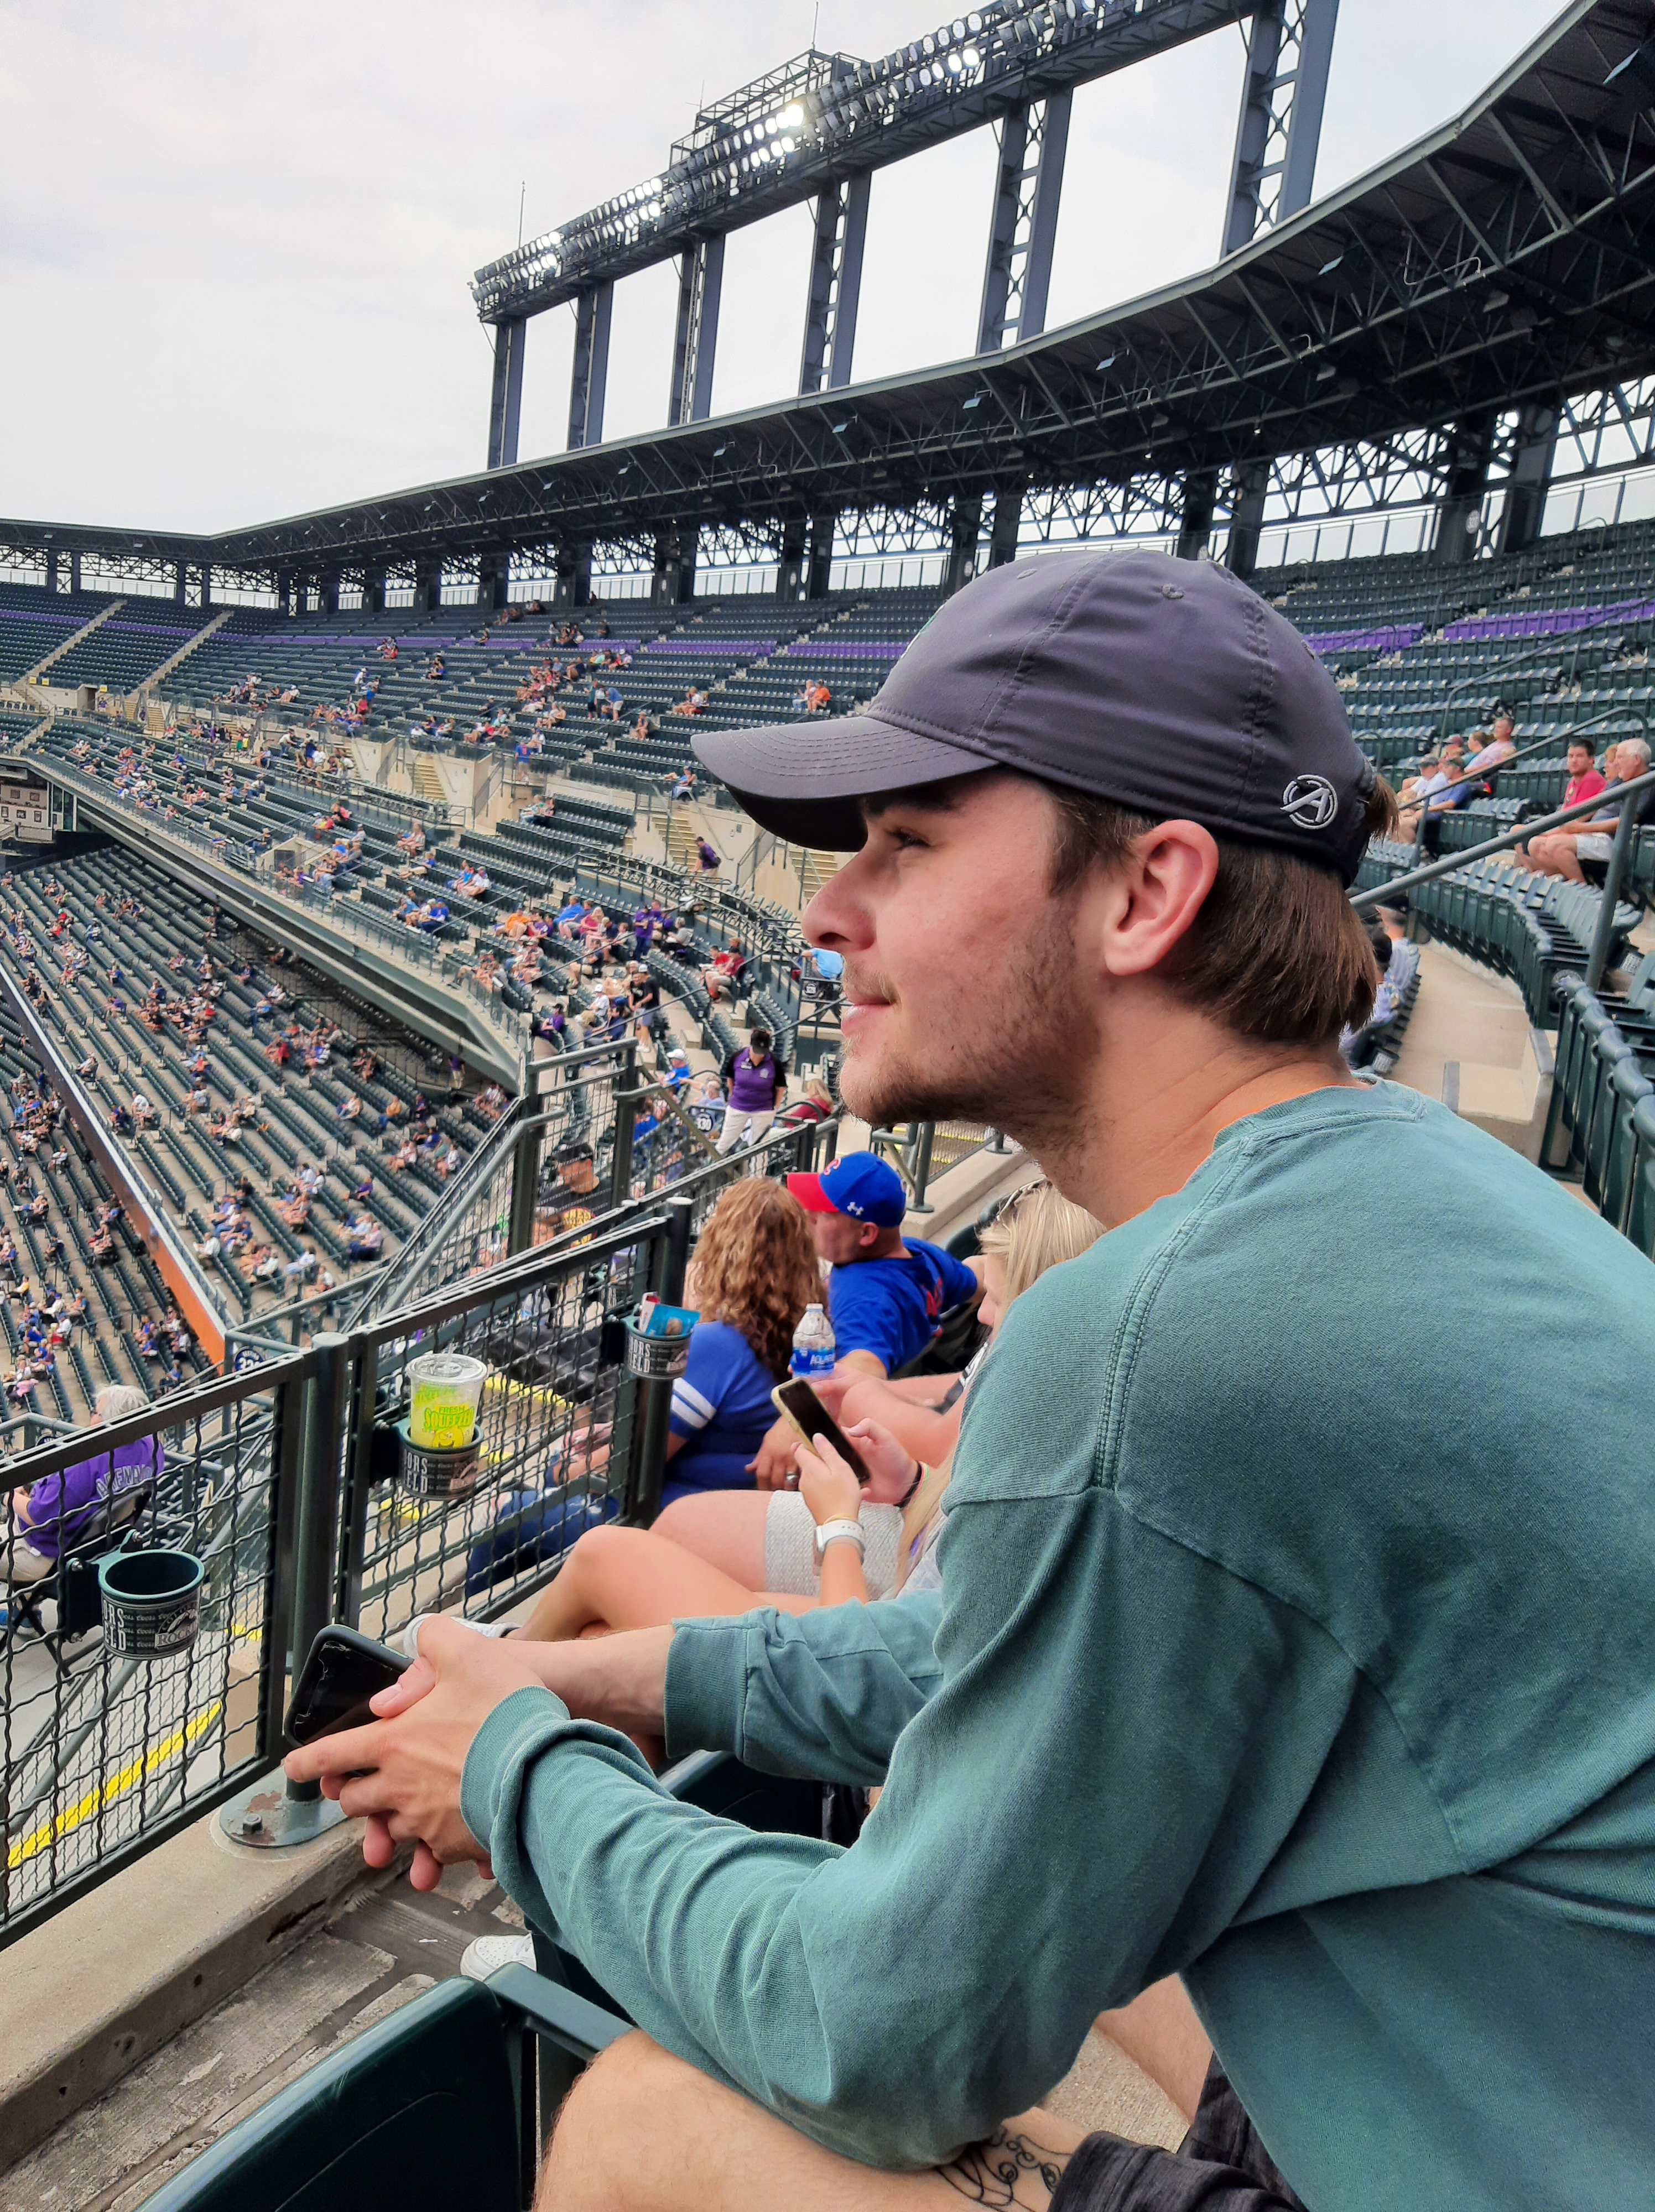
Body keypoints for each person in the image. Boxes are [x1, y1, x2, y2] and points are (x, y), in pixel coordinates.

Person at [289, 549, 1655, 2212]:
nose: (824, 910)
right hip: (1506, 2085)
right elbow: (973, 1658)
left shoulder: (1167, 1339)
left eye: (909, 842)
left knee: (650, 2125)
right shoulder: (1416, 1193)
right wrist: (580, 1684)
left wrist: (513, 1775)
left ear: (1146, 894)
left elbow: (876, 2036)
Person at [3, 1385, 157, 1599]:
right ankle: (26, 1609)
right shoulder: (151, 1447)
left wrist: (9, 1497)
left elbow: (37, 1517)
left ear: (108, 1420)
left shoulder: (85, 1460)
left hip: (45, 1555)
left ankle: (24, 1607)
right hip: (95, 1547)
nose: (91, 1416)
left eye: (95, 1412)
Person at [1525, 738, 1654, 881]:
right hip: (1594, 835)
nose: (1616, 763)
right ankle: (1561, 887)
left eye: (1620, 757)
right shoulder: (1620, 781)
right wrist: (1563, 829)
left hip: (1613, 841)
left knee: (1557, 844)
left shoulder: (1646, 784)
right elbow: (1595, 806)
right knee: (1536, 844)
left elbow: (1626, 822)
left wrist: (1582, 828)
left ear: (1636, 760)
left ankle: (1581, 891)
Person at [715, 1027, 786, 1153]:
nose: (760, 1055)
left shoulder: (774, 1062)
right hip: (738, 1107)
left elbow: (781, 1087)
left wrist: (775, 1107)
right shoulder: (737, 1057)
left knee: (759, 1146)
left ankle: (757, 1168)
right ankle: (714, 1164)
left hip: (763, 1109)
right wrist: (734, 1095)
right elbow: (730, 1079)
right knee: (725, 1142)